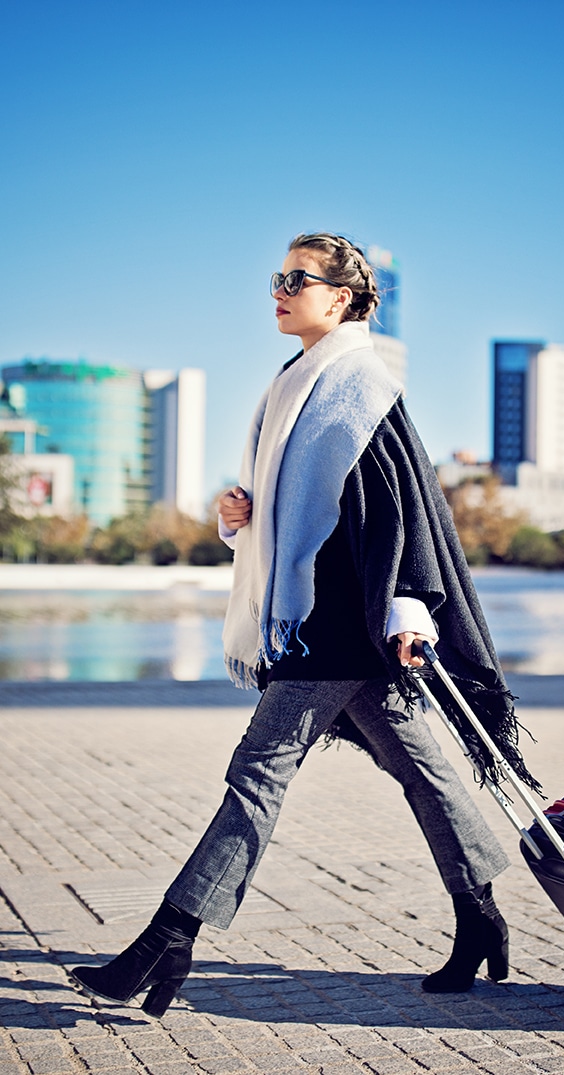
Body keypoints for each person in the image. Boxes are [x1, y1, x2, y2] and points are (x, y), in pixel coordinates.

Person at [71, 232, 539, 1018]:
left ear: (344, 296)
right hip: (315, 619)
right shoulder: (294, 383)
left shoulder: (360, 382)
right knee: (420, 768)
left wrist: (409, 609)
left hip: (337, 624)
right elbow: (303, 508)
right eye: (276, 276)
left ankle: (168, 937)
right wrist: (240, 517)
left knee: (258, 772)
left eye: (298, 277)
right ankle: (481, 915)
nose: (279, 289)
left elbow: (403, 512)